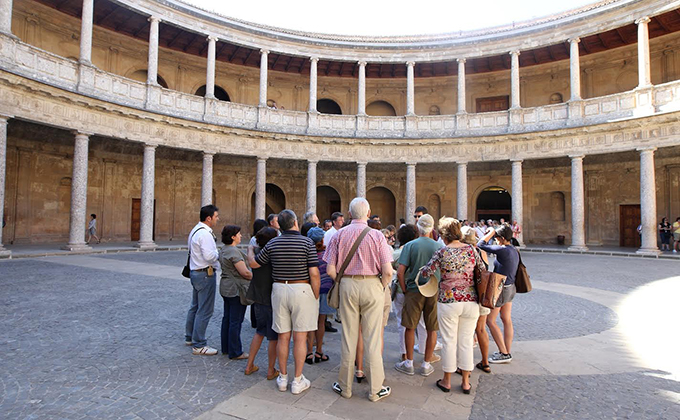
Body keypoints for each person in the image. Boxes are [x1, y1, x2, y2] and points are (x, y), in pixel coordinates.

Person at [325, 197, 394, 402]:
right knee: (373, 338)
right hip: (373, 284)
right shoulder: (377, 236)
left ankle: (345, 387)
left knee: (348, 336)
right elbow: (388, 271)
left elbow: (330, 269)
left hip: (347, 284)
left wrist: (343, 281)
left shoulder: (339, 235)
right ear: (369, 212)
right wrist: (380, 286)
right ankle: (375, 389)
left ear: (348, 214)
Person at [248, 209, 320, 395]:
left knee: (283, 336)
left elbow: (255, 263)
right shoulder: (306, 242)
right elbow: (314, 273)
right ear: (295, 222)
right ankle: (297, 380)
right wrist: (316, 294)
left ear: (279, 224)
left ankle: (283, 378)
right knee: (300, 337)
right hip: (301, 288)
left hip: (279, 289)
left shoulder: (273, 242)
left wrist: (249, 251)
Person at [420, 218, 485, 394]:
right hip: (470, 300)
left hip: (448, 300)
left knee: (449, 341)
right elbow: (482, 268)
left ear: (443, 234)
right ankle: (465, 382)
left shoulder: (442, 252)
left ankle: (447, 380)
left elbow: (427, 271)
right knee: (466, 340)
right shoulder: (472, 249)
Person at [395, 214, 442, 377]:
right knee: (432, 327)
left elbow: (400, 272)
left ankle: (408, 362)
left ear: (418, 227)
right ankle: (426, 363)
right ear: (432, 228)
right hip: (432, 289)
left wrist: (405, 288)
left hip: (414, 290)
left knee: (409, 326)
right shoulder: (438, 246)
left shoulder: (410, 245)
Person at [478, 223, 520, 364]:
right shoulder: (513, 249)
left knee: (490, 320)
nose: (495, 239)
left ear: (501, 238)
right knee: (506, 319)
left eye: (496, 237)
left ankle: (504, 353)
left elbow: (481, 244)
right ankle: (506, 350)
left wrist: (490, 232)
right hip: (511, 286)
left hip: (501, 288)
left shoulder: (503, 250)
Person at [244, 227, 280, 379]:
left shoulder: (256, 253)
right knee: (273, 337)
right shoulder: (272, 254)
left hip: (258, 298)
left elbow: (251, 260)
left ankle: (249, 365)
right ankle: (271, 370)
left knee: (259, 332)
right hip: (270, 299)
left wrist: (250, 249)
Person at [185, 204, 220, 356]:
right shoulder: (205, 234)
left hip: (196, 272)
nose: (217, 219)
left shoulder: (195, 230)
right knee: (204, 309)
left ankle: (189, 336)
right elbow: (210, 256)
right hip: (205, 274)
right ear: (209, 218)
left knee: (195, 306)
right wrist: (219, 253)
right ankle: (199, 344)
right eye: (216, 217)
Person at [460, 226, 492, 374]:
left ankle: (464, 367)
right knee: (481, 329)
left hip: (470, 295)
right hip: (483, 294)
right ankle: (485, 362)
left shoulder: (465, 253)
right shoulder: (482, 251)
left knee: (465, 332)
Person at [219, 225, 252, 359]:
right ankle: (235, 351)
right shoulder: (233, 252)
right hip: (236, 290)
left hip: (226, 287)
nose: (241, 236)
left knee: (227, 318)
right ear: (233, 237)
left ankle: (226, 347)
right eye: (238, 234)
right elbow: (244, 272)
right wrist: (254, 277)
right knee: (235, 321)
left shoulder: (224, 250)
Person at [305, 227, 334, 364]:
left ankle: (309, 352)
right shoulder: (327, 253)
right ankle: (319, 351)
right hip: (324, 290)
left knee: (310, 322)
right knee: (321, 322)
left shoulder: (306, 253)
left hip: (310, 290)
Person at [391, 224, 418, 362]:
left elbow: (390, 269)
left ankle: (404, 353)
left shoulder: (396, 253)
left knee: (401, 322)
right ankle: (425, 351)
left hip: (401, 291)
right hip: (416, 291)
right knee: (421, 323)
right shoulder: (416, 251)